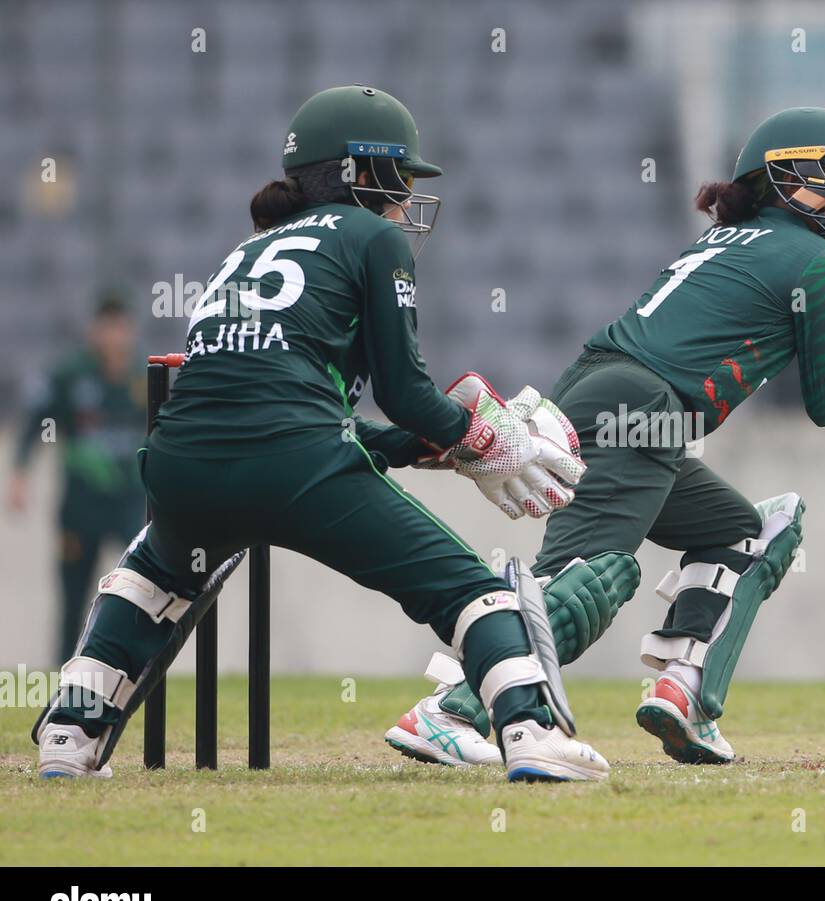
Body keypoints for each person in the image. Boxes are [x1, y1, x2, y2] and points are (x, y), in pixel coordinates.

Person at [32, 84, 610, 783]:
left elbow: (279, 403)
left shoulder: (245, 251)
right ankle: (531, 732)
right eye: (399, 179)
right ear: (359, 172)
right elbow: (403, 395)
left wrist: (422, 446)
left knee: (152, 580)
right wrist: (481, 438)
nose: (405, 201)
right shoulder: (372, 236)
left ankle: (69, 732)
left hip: (181, 459)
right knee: (469, 590)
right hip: (296, 464)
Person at [387, 106, 825, 766]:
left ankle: (682, 692)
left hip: (615, 396)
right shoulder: (816, 259)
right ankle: (448, 710)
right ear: (783, 175)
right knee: (592, 578)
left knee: (748, 530)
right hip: (644, 406)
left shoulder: (725, 240)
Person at [9, 295, 147, 663]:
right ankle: (64, 676)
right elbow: (36, 422)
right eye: (109, 328)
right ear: (95, 332)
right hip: (81, 507)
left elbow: (167, 433)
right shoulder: (70, 376)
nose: (116, 337)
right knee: (73, 597)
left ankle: (134, 671)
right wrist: (21, 473)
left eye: (122, 328)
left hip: (129, 503)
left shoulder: (146, 377)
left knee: (139, 590)